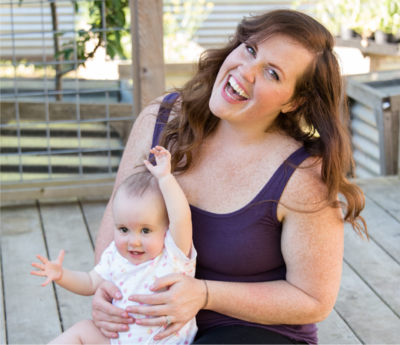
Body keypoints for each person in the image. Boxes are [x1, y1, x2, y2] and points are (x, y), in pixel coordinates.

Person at [91, 9, 367, 345]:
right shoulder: (160, 121)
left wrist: (204, 294)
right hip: (150, 328)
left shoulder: (303, 176)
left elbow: (313, 300)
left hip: (251, 332)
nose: (246, 72)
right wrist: (104, 288)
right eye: (250, 50)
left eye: (272, 74)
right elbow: (116, 218)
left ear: (295, 102)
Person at [31, 146, 198, 345]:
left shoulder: (172, 253)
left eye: (145, 230)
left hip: (163, 342)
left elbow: (182, 218)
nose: (133, 241)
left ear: (166, 229)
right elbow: (89, 282)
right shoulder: (115, 256)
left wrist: (165, 178)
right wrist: (61, 275)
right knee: (83, 329)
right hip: (117, 340)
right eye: (123, 229)